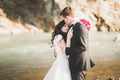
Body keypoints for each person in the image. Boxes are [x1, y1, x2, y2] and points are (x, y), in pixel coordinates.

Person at [60, 6, 95, 80]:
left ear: (67, 17)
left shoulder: (80, 26)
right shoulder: (73, 26)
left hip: (79, 64)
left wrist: (68, 51)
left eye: (64, 20)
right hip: (75, 62)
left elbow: (83, 46)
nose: (64, 22)